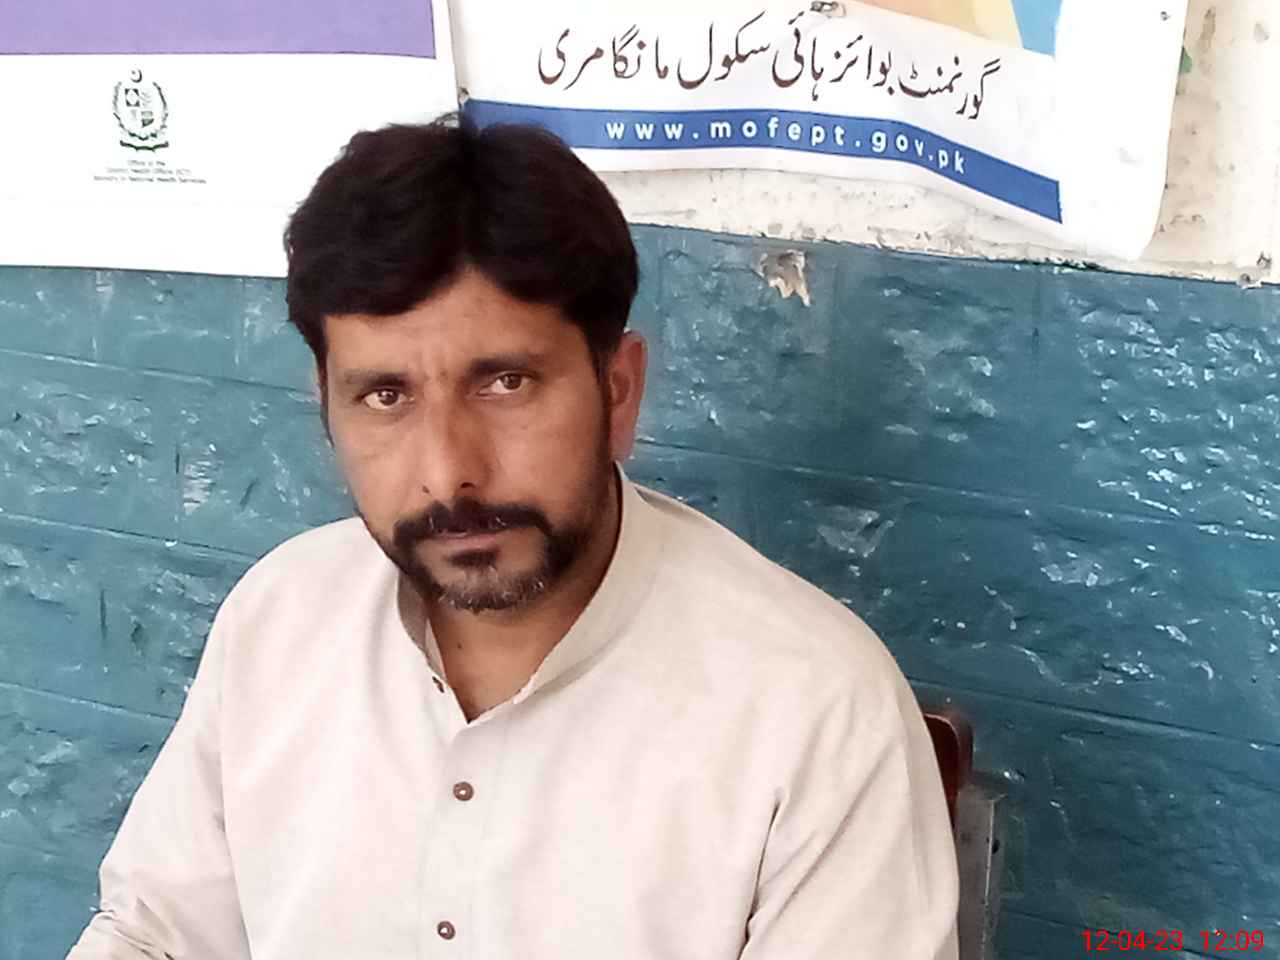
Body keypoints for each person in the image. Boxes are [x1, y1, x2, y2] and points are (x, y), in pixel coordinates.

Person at [68, 114, 959, 959]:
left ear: (618, 392)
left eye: (504, 384)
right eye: (385, 396)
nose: (448, 472)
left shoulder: (815, 712)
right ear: (327, 408)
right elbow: (158, 933)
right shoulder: (282, 618)